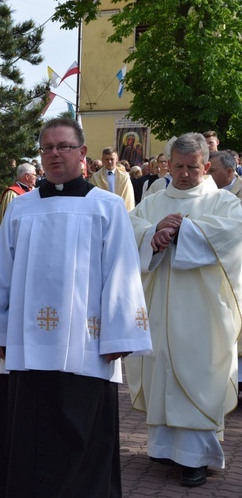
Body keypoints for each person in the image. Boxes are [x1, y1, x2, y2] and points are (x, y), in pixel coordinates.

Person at [0, 117, 152, 497]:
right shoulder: (21, 208)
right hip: (24, 343)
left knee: (81, 436)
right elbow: (0, 269)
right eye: (47, 147)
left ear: (82, 153)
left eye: (64, 146)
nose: (54, 154)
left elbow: (122, 271)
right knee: (26, 430)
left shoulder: (107, 207)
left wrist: (120, 335)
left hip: (86, 342)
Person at [127, 133, 242, 488]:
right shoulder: (154, 200)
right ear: (168, 164)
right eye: (177, 166)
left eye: (192, 167)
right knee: (161, 368)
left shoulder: (224, 202)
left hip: (203, 312)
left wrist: (182, 230)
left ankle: (196, 458)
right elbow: (131, 227)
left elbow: (233, 234)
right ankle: (163, 447)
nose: (184, 174)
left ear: (206, 166)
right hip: (159, 308)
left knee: (199, 373)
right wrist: (152, 234)